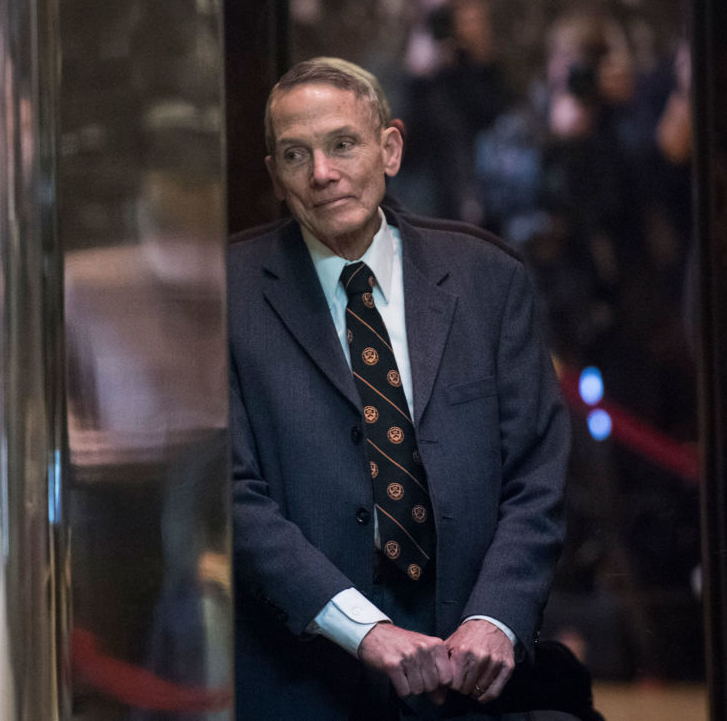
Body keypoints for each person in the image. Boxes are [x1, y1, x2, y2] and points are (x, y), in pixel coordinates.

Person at [229, 57, 572, 719]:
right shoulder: (227, 296)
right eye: (296, 154)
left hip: (474, 679)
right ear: (274, 175)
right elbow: (232, 496)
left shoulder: (487, 280)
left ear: (389, 148)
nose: (322, 173)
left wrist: (496, 618)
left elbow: (537, 474)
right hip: (303, 676)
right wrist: (366, 629)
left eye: (342, 144)